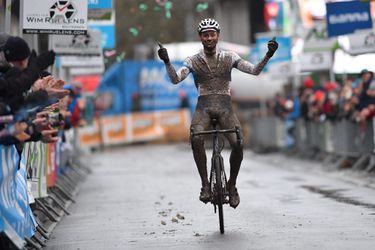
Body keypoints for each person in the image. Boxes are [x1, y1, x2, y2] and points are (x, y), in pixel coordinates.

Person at [158, 18, 278, 208]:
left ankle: (232, 186)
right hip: (203, 107)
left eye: (212, 34)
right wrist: (166, 62)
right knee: (196, 138)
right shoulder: (192, 60)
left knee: (238, 143)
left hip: (225, 107)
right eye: (205, 35)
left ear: (218, 36)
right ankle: (205, 184)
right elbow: (176, 79)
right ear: (200, 37)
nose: (209, 38)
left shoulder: (230, 57)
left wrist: (268, 55)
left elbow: (254, 71)